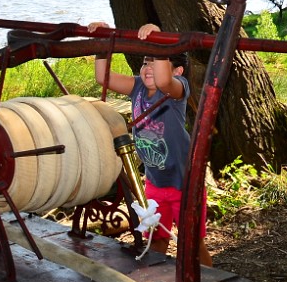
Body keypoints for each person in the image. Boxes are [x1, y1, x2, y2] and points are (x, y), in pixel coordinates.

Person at [88, 21, 213, 266]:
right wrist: (103, 42)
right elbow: (103, 77)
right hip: (155, 183)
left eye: (154, 62)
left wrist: (158, 40)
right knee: (156, 239)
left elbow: (164, 81)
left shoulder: (176, 91)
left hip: (185, 184)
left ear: (177, 71)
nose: (147, 67)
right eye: (145, 61)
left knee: (191, 247)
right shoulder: (137, 88)